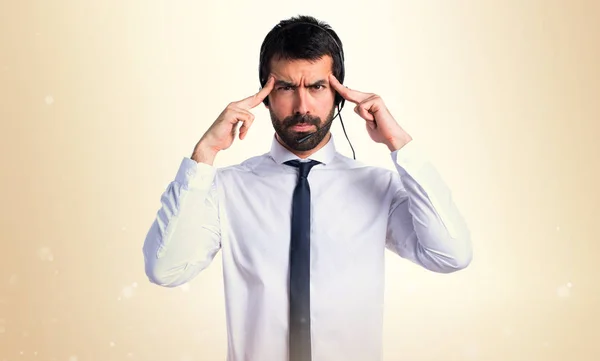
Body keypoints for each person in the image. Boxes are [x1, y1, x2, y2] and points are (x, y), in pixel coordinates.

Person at [142, 14, 473, 361]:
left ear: (340, 95)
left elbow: (450, 255)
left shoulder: (379, 187)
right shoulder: (226, 189)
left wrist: (400, 144)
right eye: (285, 87)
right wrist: (203, 155)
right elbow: (165, 268)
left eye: (317, 86)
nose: (302, 107)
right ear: (265, 96)